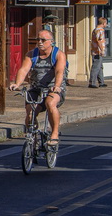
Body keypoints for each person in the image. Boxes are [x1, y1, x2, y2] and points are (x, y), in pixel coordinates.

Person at [9, 29, 68, 160]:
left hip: (54, 88)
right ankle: (32, 137)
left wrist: (57, 86)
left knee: (50, 103)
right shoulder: (31, 54)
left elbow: (59, 72)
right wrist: (17, 84)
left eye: (43, 40)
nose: (40, 43)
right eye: (38, 40)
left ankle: (54, 133)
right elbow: (24, 69)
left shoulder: (58, 55)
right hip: (36, 87)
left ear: (51, 42)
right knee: (30, 110)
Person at [89, 16, 108, 88]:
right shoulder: (100, 30)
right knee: (96, 67)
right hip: (98, 51)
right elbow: (99, 40)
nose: (106, 24)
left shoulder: (95, 29)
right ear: (103, 23)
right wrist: (102, 50)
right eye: (106, 23)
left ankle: (101, 82)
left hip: (94, 50)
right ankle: (92, 83)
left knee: (100, 67)